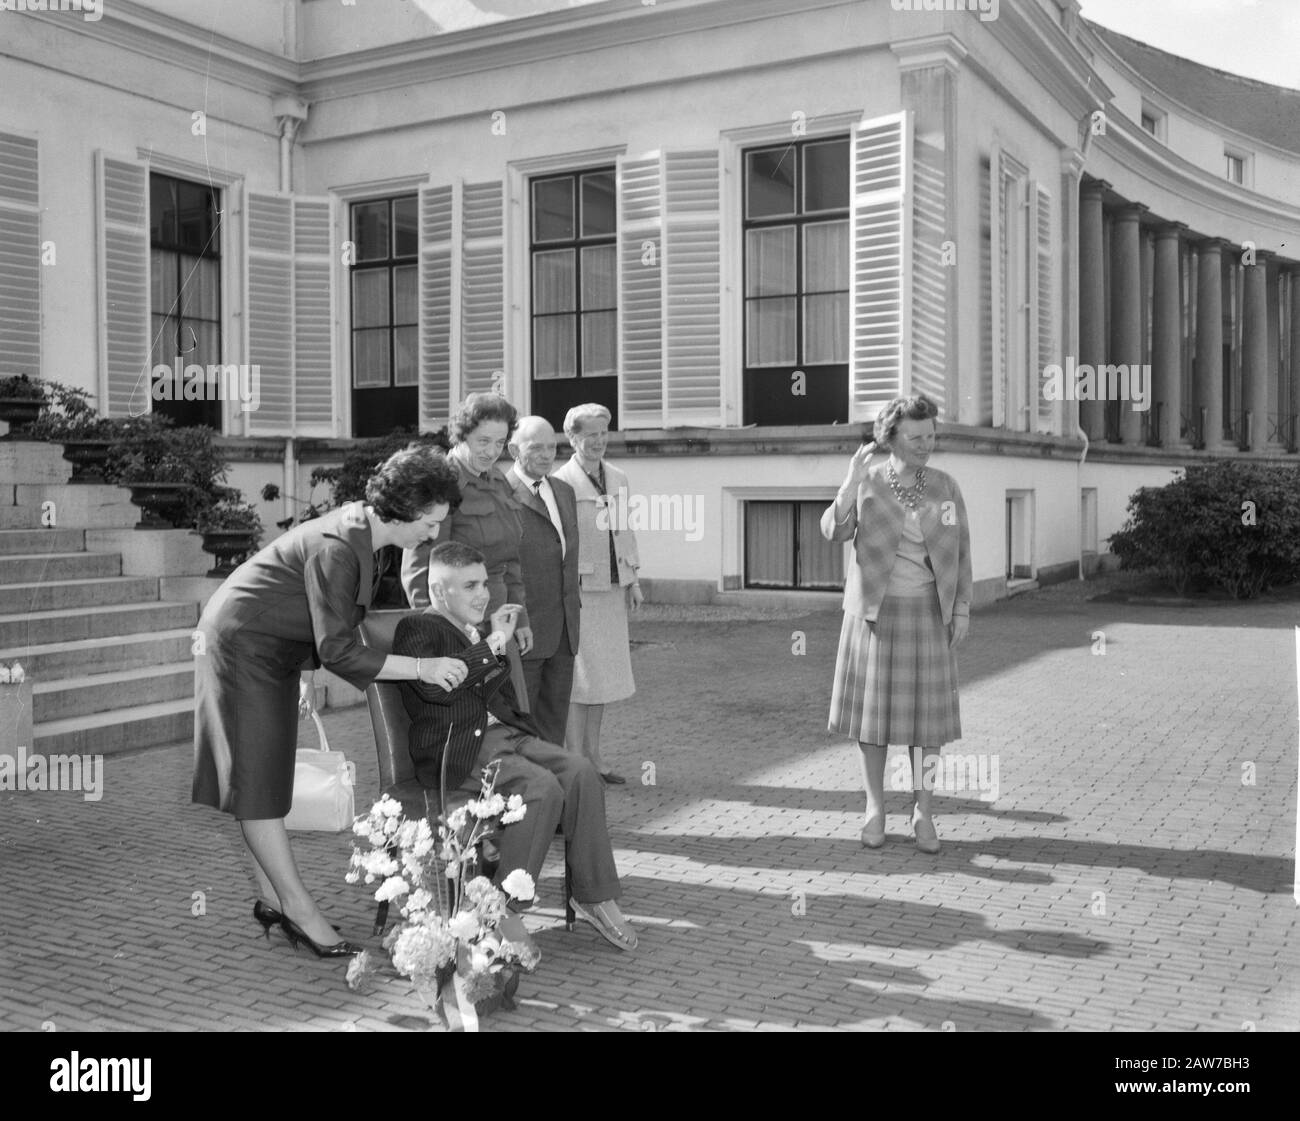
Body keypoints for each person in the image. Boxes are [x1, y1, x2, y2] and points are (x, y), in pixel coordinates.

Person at [192, 444, 467, 957]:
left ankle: (273, 899)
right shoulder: (340, 546)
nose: (433, 535)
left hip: (268, 646)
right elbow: (339, 648)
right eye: (429, 524)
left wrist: (300, 670)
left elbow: (314, 611)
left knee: (264, 779)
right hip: (240, 646)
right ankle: (300, 911)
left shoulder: (362, 531)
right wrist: (422, 667)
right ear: (403, 510)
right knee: (258, 782)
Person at [392, 541, 636, 952]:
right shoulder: (418, 629)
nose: (483, 594)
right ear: (438, 592)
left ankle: (592, 894)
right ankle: (501, 907)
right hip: (460, 749)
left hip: (506, 737)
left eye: (484, 584)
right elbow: (441, 690)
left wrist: (495, 643)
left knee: (581, 773)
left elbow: (493, 695)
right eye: (469, 586)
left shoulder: (478, 633)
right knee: (540, 788)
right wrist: (492, 644)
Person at [821, 393, 971, 854]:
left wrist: (961, 606)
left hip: (929, 613)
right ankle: (875, 809)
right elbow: (834, 531)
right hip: (875, 616)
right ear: (891, 438)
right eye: (916, 437)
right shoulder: (868, 482)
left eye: (931, 435)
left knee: (927, 725)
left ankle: (924, 811)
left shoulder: (945, 486)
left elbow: (962, 550)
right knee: (875, 722)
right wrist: (849, 483)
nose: (927, 444)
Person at [402, 392, 531, 710]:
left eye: (500, 443)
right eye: (483, 441)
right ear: (461, 435)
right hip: (459, 632)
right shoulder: (441, 484)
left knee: (508, 718)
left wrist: (520, 617)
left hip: (500, 624)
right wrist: (435, 636)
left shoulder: (498, 480)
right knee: (470, 725)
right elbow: (421, 569)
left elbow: (511, 559)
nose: (492, 451)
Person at [552, 403, 641, 785]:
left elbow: (625, 531)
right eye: (590, 434)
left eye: (604, 433)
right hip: (580, 590)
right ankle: (577, 761)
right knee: (580, 677)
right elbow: (557, 541)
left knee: (602, 676)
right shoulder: (561, 481)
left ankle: (595, 755)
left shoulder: (618, 477)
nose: (599, 441)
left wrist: (633, 579)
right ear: (573, 438)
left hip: (613, 587)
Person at [506, 415, 581, 745]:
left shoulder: (564, 491)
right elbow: (503, 565)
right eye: (536, 447)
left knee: (554, 726)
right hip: (526, 631)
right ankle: (526, 793)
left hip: (564, 631)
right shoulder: (501, 494)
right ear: (513, 450)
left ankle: (556, 788)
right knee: (522, 725)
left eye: (552, 447)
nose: (547, 455)